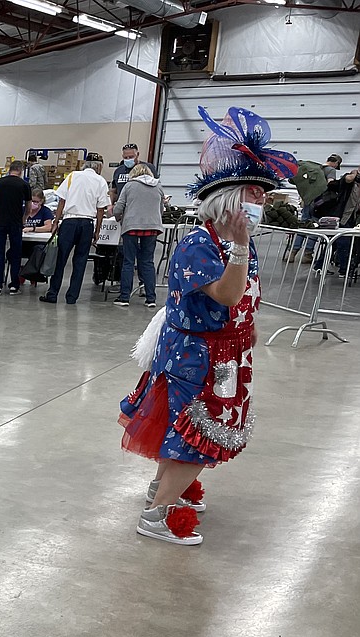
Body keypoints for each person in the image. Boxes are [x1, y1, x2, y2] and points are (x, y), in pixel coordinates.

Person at [118, 105, 296, 545]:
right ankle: (157, 515)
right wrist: (239, 247)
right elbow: (227, 294)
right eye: (255, 194)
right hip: (197, 355)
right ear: (231, 199)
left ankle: (161, 493)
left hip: (227, 354)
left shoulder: (238, 243)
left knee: (188, 428)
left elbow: (244, 299)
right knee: (196, 433)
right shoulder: (202, 242)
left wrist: (248, 326)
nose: (260, 203)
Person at [39, 160, 110, 305]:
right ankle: (72, 297)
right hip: (87, 223)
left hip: (69, 222)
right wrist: (97, 231)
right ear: (98, 168)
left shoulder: (72, 176)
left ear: (83, 166)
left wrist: (55, 222)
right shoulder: (101, 181)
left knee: (61, 259)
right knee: (80, 261)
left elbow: (62, 201)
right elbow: (101, 209)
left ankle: (52, 294)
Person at [112, 162, 165, 308]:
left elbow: (119, 206)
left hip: (131, 227)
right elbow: (161, 209)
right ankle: (151, 299)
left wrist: (117, 216)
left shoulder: (129, 186)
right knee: (148, 262)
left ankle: (124, 297)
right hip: (152, 228)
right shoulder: (158, 186)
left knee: (128, 262)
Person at [288, 153, 341, 263]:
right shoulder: (331, 170)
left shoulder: (316, 168)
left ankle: (293, 252)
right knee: (315, 226)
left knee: (303, 224)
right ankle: (308, 254)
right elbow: (330, 184)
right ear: (336, 163)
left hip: (307, 200)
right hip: (319, 202)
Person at [0, 160, 31, 295]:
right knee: (15, 254)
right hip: (15, 224)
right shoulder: (24, 185)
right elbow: (29, 207)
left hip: (0, 223)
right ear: (20, 171)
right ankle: (14, 285)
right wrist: (23, 219)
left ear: (10, 169)